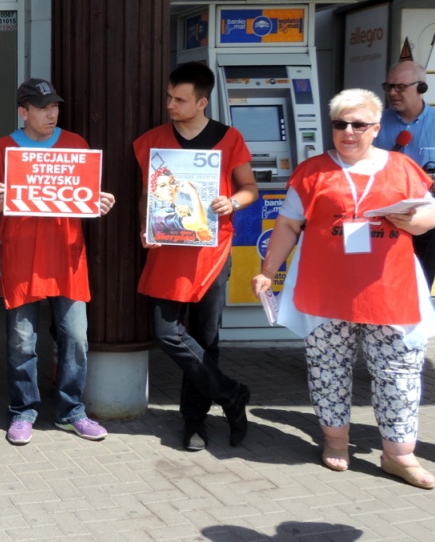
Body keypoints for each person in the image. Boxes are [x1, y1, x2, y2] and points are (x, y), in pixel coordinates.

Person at [252, 88, 435, 489]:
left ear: (375, 128)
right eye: (340, 124)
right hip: (325, 291)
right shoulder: (312, 171)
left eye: (358, 124)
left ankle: (399, 455)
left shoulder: (402, 167)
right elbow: (288, 225)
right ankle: (336, 442)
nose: (348, 132)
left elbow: (431, 212)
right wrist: (269, 270)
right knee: (328, 369)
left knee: (400, 374)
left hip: (390, 290)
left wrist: (416, 221)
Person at [0, 78, 115, 445]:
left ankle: (71, 411)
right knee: (22, 342)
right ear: (23, 112)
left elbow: (84, 200)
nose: (51, 112)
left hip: (67, 259)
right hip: (21, 259)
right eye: (42, 107)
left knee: (76, 339)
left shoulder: (75, 147)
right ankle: (23, 411)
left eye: (54, 106)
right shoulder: (3, 149)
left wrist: (98, 204)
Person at [134, 62, 257, 452]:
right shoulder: (152, 141)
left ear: (202, 102)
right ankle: (232, 394)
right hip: (167, 251)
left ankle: (194, 422)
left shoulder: (229, 138)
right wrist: (145, 227)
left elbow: (250, 187)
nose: (170, 104)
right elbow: (146, 196)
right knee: (167, 332)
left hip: (212, 253)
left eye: (180, 99)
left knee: (206, 340)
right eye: (169, 97)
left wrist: (232, 200)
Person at [373, 61, 435, 288]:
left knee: (419, 287)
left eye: (400, 87)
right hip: (382, 219)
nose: (392, 93)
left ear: (421, 87)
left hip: (427, 220)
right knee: (382, 285)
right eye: (389, 86)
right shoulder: (374, 124)